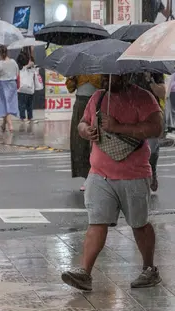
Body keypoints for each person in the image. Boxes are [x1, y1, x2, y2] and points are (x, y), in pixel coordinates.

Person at [61, 74, 163, 292]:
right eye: (104, 76)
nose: (106, 80)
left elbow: (156, 128)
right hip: (99, 173)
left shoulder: (142, 98)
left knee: (139, 224)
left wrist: (118, 127)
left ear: (125, 75)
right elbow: (82, 123)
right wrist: (86, 131)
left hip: (133, 173)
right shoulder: (97, 97)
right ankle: (85, 272)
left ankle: (149, 268)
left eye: (113, 76)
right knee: (97, 222)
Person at [131, 72, 167, 192]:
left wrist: (150, 80)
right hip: (130, 111)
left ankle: (152, 169)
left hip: (151, 112)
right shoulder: (125, 66)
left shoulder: (152, 68)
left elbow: (162, 93)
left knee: (151, 150)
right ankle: (137, 180)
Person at [66, 74, 102, 191]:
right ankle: (87, 176)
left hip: (99, 103)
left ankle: (100, 175)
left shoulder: (101, 66)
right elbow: (70, 88)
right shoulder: (77, 67)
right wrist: (71, 77)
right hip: (81, 103)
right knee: (80, 142)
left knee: (99, 140)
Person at [0, 45, 19, 132]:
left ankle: (10, 125)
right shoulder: (13, 62)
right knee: (9, 104)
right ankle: (3, 125)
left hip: (2, 85)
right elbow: (17, 73)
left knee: (4, 105)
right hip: (12, 84)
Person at [16, 46, 35, 122]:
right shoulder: (31, 66)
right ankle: (30, 117)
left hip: (21, 89)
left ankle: (23, 117)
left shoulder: (19, 68)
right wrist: (32, 52)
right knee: (30, 104)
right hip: (30, 89)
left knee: (21, 104)